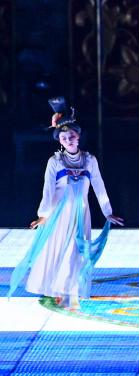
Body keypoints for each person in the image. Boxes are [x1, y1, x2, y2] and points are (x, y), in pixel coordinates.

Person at [9, 97, 123, 308]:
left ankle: (71, 289)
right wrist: (43, 215)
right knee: (58, 249)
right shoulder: (55, 161)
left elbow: (99, 186)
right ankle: (54, 288)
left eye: (71, 136)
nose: (69, 140)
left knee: (76, 251)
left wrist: (107, 211)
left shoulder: (89, 160)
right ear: (60, 141)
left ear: (78, 137)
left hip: (81, 214)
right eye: (64, 138)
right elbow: (48, 190)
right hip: (60, 215)